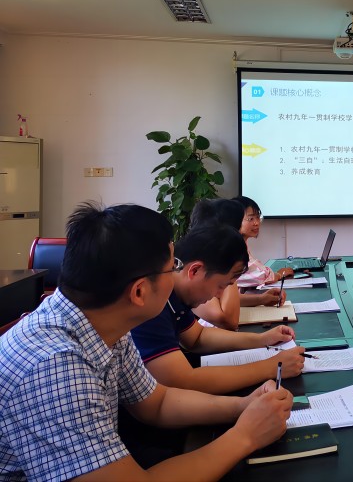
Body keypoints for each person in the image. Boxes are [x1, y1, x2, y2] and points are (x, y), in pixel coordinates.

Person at [0, 203, 293, 481]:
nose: (177, 275)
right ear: (139, 292)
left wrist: (242, 406)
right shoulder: (55, 367)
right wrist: (245, 436)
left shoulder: (107, 324)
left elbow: (157, 403)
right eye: (172, 266)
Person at [130, 224, 305, 394]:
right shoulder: (153, 304)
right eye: (221, 286)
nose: (218, 295)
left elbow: (197, 338)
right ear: (195, 271)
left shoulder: (176, 297)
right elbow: (184, 382)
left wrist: (262, 339)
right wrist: (271, 367)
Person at [190, 198, 290, 330]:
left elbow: (225, 299)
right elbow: (229, 321)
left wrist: (261, 299)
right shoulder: (200, 267)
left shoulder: (214, 260)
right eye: (236, 227)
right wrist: (230, 260)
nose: (238, 236)